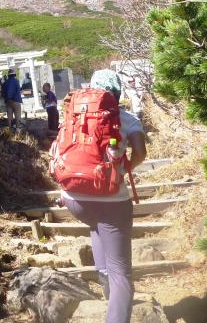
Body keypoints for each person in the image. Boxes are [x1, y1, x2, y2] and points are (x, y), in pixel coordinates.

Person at [60, 70, 147, 323]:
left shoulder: (74, 114)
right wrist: (124, 170)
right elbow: (140, 152)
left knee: (97, 226)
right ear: (116, 93)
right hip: (111, 200)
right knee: (122, 275)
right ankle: (115, 303)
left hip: (73, 198)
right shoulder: (126, 119)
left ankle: (105, 286)